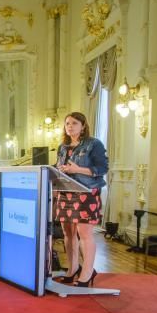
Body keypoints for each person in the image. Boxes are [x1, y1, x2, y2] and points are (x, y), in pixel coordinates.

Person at [55, 112, 108, 287]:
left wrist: (78, 169)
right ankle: (72, 269)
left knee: (84, 234)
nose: (70, 126)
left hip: (86, 193)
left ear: (83, 126)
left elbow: (102, 168)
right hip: (66, 192)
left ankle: (87, 273)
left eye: (75, 123)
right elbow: (60, 168)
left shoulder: (94, 144)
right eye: (67, 123)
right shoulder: (63, 147)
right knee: (68, 234)